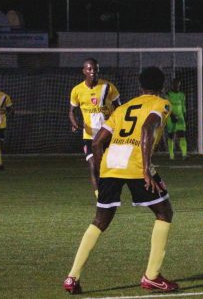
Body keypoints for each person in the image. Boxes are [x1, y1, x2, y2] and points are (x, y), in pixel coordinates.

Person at [63, 67, 178, 294]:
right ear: (162, 87)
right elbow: (147, 128)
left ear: (140, 87)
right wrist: (146, 170)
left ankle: (72, 277)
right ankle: (152, 276)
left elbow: (97, 143)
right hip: (135, 164)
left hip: (110, 163)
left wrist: (98, 174)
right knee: (164, 212)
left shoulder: (123, 107)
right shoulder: (161, 104)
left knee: (100, 220)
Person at [69, 57, 121, 198]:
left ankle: (112, 190)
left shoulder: (108, 87)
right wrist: (74, 123)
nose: (93, 71)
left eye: (95, 69)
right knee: (92, 164)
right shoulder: (77, 90)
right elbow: (71, 112)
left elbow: (120, 108)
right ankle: (100, 196)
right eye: (90, 69)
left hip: (108, 133)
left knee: (109, 165)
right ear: (84, 71)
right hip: (89, 135)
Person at [166, 78, 188, 160]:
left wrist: (185, 115)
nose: (177, 86)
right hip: (171, 116)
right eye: (175, 84)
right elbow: (167, 106)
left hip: (180, 116)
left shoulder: (182, 95)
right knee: (171, 135)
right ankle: (171, 155)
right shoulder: (168, 94)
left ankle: (184, 154)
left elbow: (183, 106)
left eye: (178, 84)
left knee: (182, 134)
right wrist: (171, 115)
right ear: (172, 85)